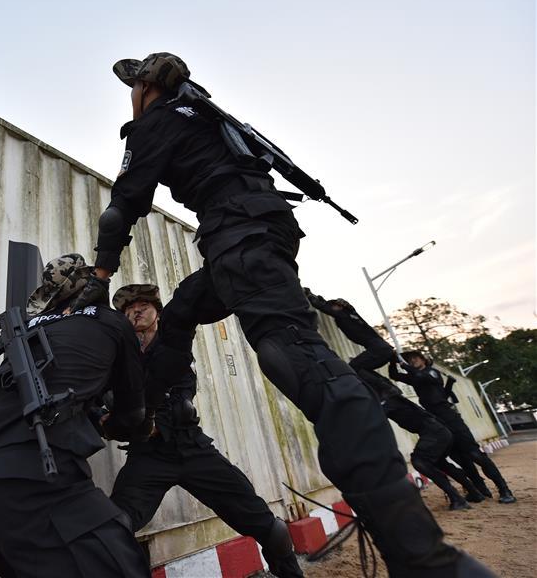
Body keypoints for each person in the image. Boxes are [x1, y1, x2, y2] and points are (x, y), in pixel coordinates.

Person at [68, 52, 494, 576]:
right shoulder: (207, 116)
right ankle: (146, 409)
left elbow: (124, 204)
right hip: (248, 237)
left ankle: (427, 561)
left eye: (134, 85)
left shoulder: (156, 119)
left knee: (297, 361)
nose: (131, 94)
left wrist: (102, 273)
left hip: (240, 238)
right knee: (181, 312)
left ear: (147, 87)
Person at [0, 254, 152, 578]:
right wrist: (110, 424)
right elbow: (132, 415)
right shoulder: (113, 323)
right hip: (31, 481)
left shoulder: (29, 326)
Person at [107, 284, 303, 578]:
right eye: (128, 309)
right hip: (148, 455)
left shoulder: (174, 344)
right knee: (113, 526)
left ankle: (290, 574)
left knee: (266, 524)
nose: (135, 311)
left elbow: (185, 385)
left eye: (142, 306)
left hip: (193, 448)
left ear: (157, 311)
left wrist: (178, 407)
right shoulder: (121, 355)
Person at [307, 291, 484, 510]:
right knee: (439, 463)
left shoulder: (388, 399)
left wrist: (315, 300)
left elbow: (375, 389)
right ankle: (474, 491)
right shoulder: (390, 397)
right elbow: (389, 380)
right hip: (436, 430)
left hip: (435, 431)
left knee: (421, 462)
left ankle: (460, 497)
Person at [390, 350, 516, 505]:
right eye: (409, 360)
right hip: (437, 422)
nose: (412, 361)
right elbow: (394, 375)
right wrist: (392, 360)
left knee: (475, 454)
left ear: (423, 359)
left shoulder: (432, 373)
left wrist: (403, 364)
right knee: (460, 458)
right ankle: (480, 489)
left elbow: (421, 376)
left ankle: (504, 489)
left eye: (415, 358)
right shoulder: (415, 377)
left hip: (450, 417)